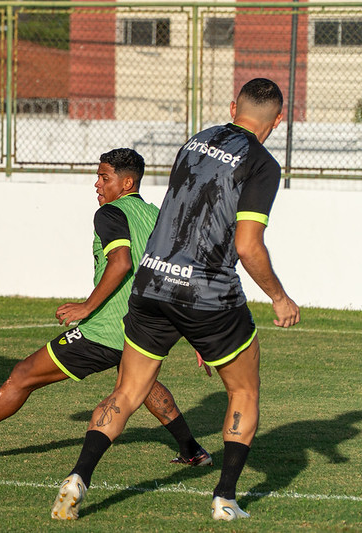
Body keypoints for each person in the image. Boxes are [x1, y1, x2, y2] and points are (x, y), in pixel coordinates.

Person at [51, 79, 300, 521]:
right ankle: (224, 499)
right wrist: (279, 298)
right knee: (243, 389)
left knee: (128, 391)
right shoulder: (262, 163)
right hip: (208, 292)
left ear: (232, 107)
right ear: (278, 121)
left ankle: (77, 478)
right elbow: (247, 246)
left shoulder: (196, 141)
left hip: (152, 283)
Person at [0, 148, 211, 469]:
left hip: (107, 329)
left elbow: (120, 262)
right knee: (140, 384)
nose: (97, 184)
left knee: (23, 375)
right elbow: (183, 273)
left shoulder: (110, 214)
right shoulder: (159, 218)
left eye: (104, 177)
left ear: (126, 183)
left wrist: (87, 307)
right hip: (146, 330)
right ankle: (192, 449)